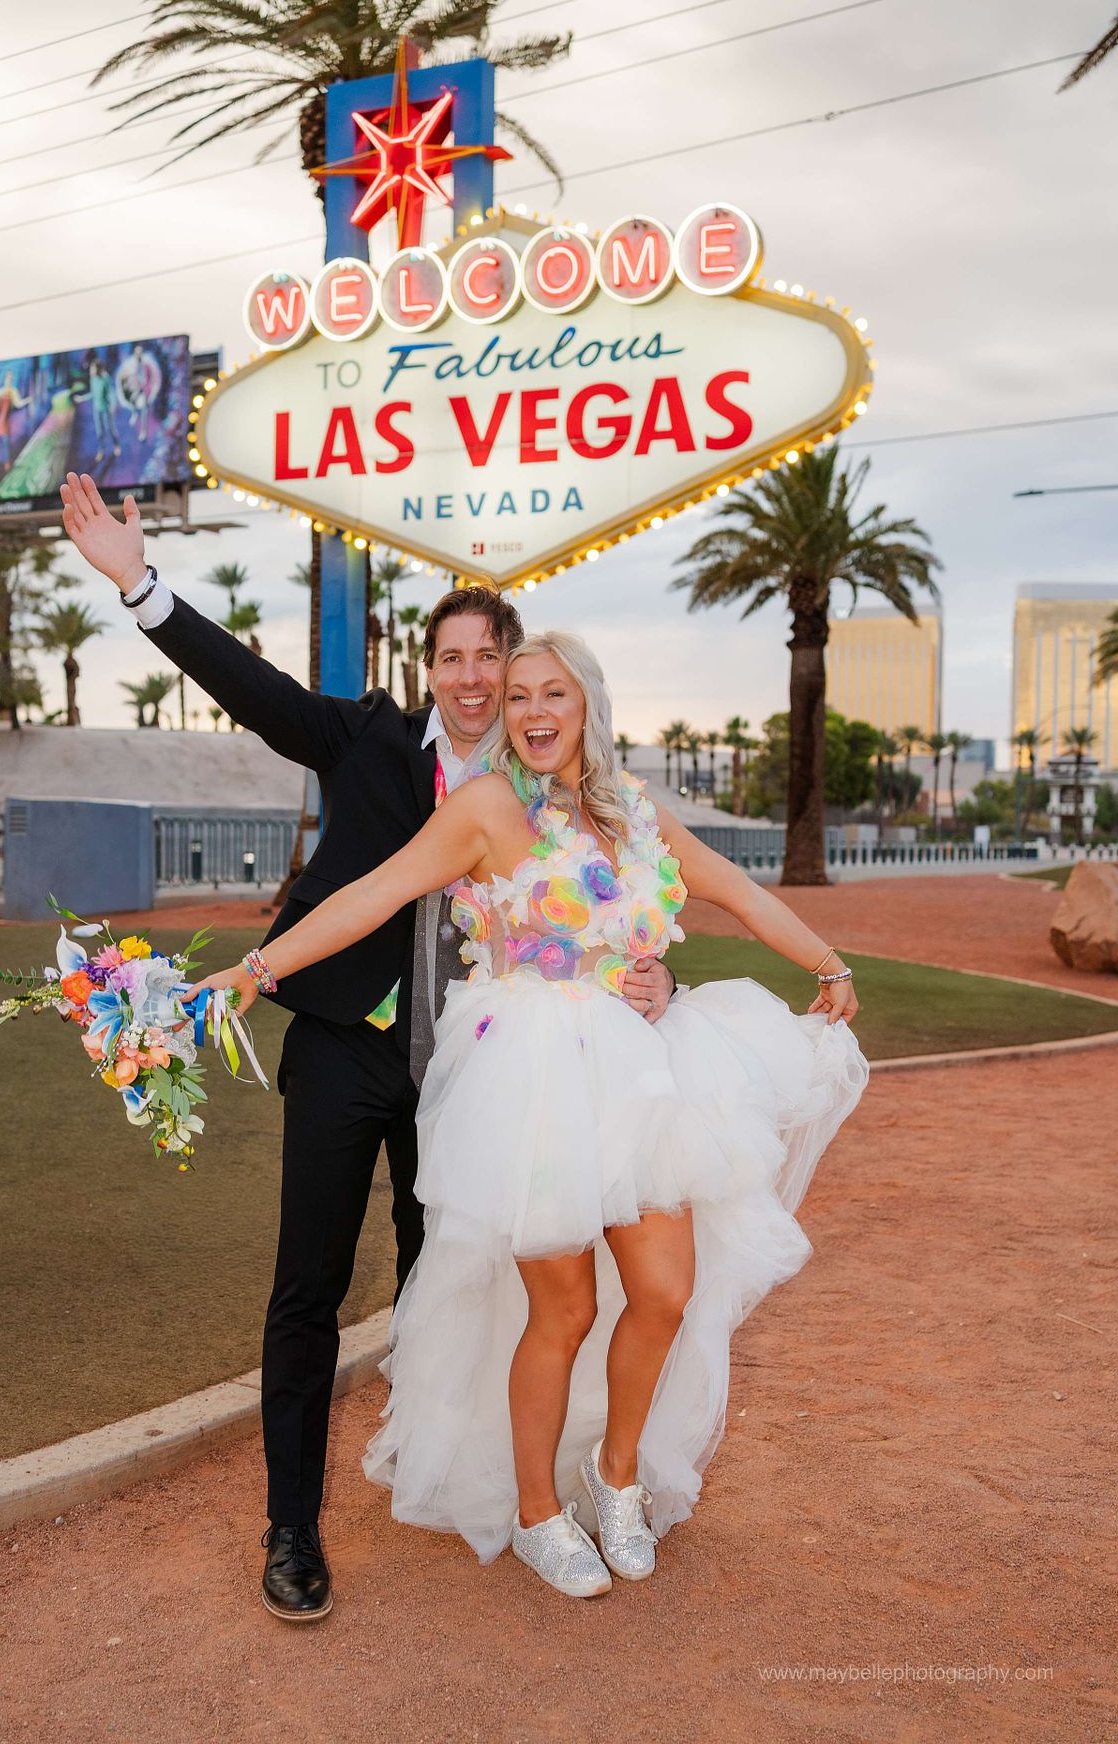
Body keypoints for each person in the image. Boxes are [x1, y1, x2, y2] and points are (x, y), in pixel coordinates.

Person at [56, 472, 674, 1621]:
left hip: (478, 1076)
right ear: (428, 672)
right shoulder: (362, 741)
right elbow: (247, 687)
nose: (474, 679)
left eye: (493, 658)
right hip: (349, 1051)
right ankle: (292, 1528)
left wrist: (658, 969)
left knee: (473, 1282)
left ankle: (493, 1484)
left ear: (519, 668)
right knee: (310, 1288)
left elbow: (630, 903)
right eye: (452, 659)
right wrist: (139, 584)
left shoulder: (553, 790)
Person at [184, 630, 870, 1599]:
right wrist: (256, 969)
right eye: (517, 699)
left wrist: (828, 964)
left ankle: (617, 1476)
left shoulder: (635, 815)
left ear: (588, 704)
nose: (533, 712)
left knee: (665, 1289)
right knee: (569, 1303)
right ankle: (540, 1511)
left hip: (638, 1078)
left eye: (553, 694)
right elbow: (373, 895)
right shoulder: (488, 810)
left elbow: (737, 890)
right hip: (535, 1079)